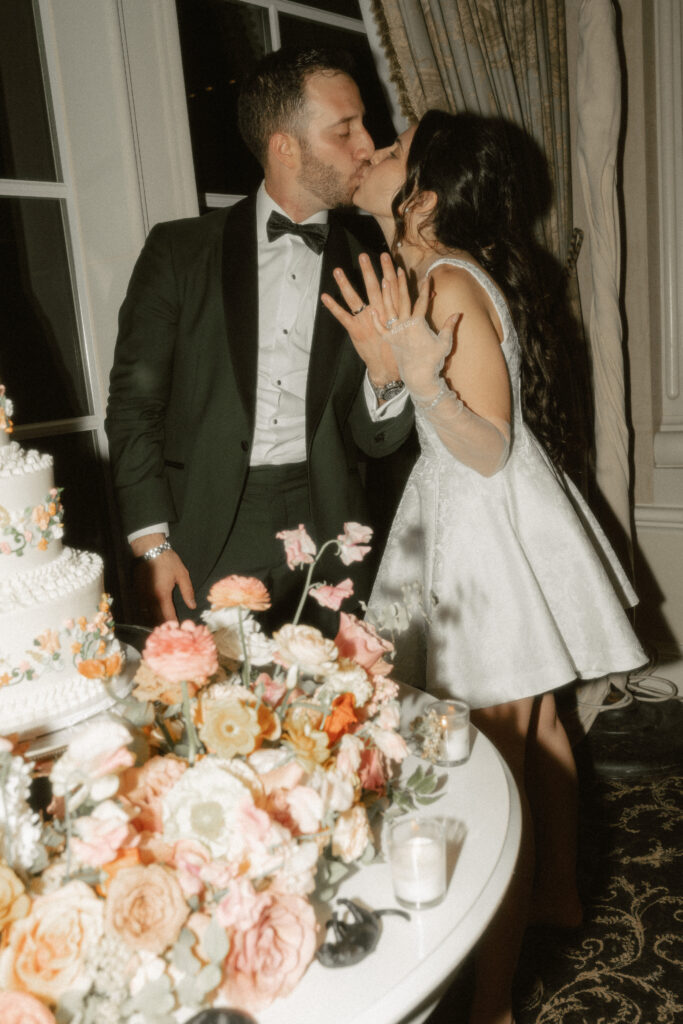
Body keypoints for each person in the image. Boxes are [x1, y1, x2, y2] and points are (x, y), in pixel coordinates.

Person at [321, 110, 647, 1024]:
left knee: (491, 772)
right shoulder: (434, 273)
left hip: (481, 537)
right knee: (536, 734)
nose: (372, 156)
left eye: (387, 152)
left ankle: (492, 1002)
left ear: (420, 195)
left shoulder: (452, 279)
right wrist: (390, 370)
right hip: (473, 518)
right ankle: (554, 896)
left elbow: (489, 447)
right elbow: (431, 410)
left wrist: (418, 380)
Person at [105, 47, 414, 630]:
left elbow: (378, 443)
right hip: (207, 526)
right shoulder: (179, 252)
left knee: (337, 710)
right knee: (213, 712)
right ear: (285, 145)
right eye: (344, 129)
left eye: (364, 127)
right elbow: (133, 406)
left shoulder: (374, 266)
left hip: (330, 529)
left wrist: (385, 374)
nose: (368, 146)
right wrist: (151, 543)